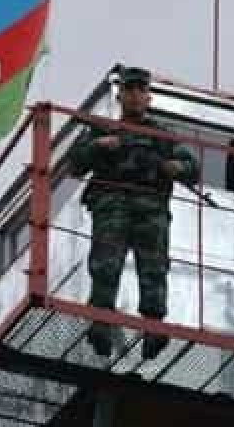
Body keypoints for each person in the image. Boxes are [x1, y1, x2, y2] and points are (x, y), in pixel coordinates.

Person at [70, 66, 199, 360]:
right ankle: (101, 324)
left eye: (141, 89)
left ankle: (153, 329)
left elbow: (192, 166)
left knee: (153, 268)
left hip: (151, 209)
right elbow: (75, 163)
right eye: (130, 89)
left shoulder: (162, 135)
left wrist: (175, 167)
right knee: (106, 265)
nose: (136, 95)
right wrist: (98, 146)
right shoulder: (102, 130)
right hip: (113, 205)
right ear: (120, 95)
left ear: (148, 97)